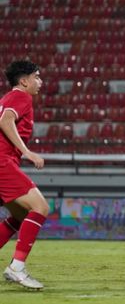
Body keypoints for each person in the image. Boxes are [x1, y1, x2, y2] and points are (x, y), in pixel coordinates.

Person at [0, 60, 48, 290]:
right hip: (2, 163)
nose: (40, 81)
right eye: (36, 77)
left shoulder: (9, 98)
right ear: (24, 81)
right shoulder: (21, 96)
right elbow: (5, 121)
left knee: (19, 216)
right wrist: (27, 151)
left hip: (5, 162)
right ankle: (16, 267)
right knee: (40, 208)